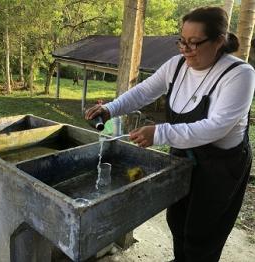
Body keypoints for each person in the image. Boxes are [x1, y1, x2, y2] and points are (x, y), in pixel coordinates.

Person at [85, 7, 255, 262]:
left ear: (219, 41)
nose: (185, 50)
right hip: (183, 156)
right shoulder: (177, 65)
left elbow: (216, 127)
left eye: (194, 43)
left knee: (204, 233)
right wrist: (110, 109)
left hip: (220, 166)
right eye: (182, 42)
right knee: (177, 220)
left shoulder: (239, 74)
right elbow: (143, 92)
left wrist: (160, 133)